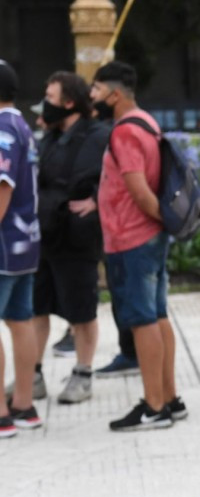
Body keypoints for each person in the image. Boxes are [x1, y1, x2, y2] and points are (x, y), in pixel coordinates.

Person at [91, 61, 184, 431]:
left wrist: (158, 220)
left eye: (96, 91)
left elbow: (140, 192)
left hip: (132, 237)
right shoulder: (147, 121)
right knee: (158, 314)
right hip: (149, 237)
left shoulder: (124, 132)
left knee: (142, 321)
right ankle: (170, 397)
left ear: (114, 94)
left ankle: (153, 405)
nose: (92, 97)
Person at [30, 71, 110, 404]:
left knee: (82, 310)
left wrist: (96, 201)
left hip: (77, 237)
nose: (45, 106)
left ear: (69, 102)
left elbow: (114, 178)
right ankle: (31, 374)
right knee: (37, 307)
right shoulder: (48, 136)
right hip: (45, 235)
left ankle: (83, 373)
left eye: (50, 98)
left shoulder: (98, 135)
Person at [0, 58, 44, 437]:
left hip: (2, 243)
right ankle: (25, 404)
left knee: (14, 321)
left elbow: (2, 188)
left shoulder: (1, 130)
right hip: (26, 242)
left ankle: (1, 413)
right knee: (20, 321)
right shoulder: (22, 126)